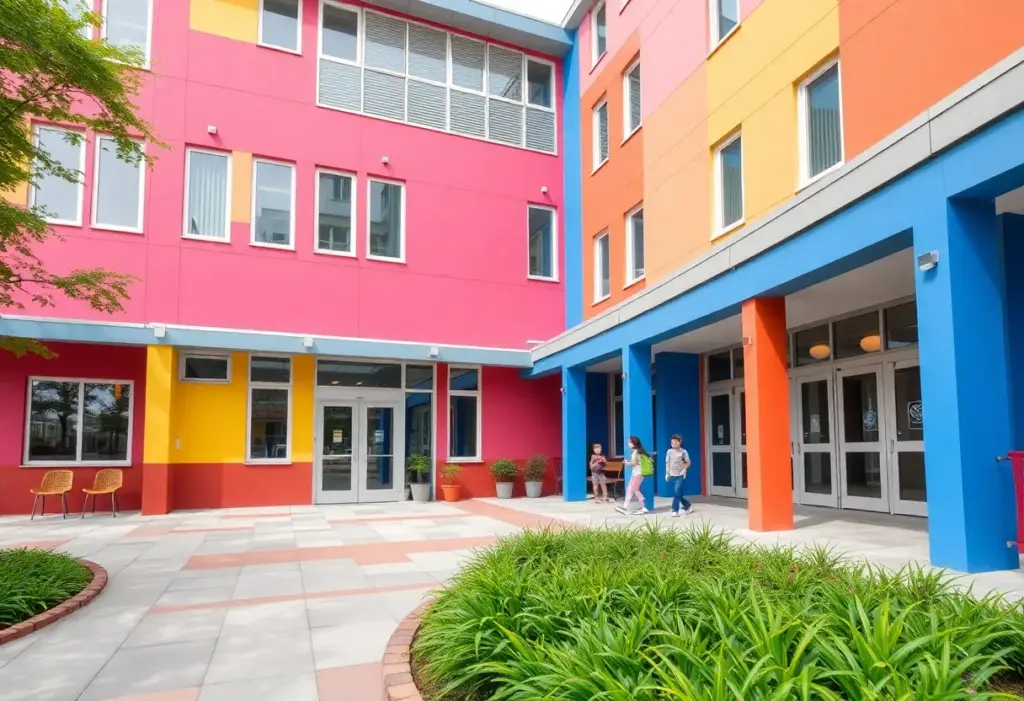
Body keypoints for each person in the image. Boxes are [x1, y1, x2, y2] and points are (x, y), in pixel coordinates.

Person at [616, 436, 653, 516]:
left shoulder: (635, 451)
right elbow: (637, 462)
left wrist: (626, 463)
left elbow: (634, 463)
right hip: (639, 474)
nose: (628, 443)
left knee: (630, 489)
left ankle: (625, 507)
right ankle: (643, 507)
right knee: (635, 489)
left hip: (637, 474)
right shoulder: (640, 451)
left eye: (630, 442)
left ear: (634, 443)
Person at [665, 434, 693, 517]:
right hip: (671, 475)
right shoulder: (669, 451)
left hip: (680, 475)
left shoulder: (683, 452)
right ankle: (688, 506)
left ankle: (675, 510)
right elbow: (667, 463)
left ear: (680, 442)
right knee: (679, 494)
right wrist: (666, 473)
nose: (673, 443)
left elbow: (688, 463)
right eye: (672, 442)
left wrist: (684, 469)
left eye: (675, 442)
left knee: (677, 492)